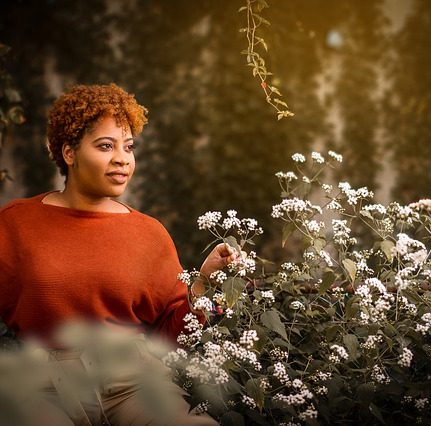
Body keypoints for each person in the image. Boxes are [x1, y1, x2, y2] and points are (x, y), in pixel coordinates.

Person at [0, 83, 238, 425]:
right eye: (105, 146)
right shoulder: (16, 223)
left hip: (134, 384)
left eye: (128, 147)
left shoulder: (148, 233)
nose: (122, 158)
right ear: (69, 153)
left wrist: (202, 280)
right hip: (43, 387)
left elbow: (170, 338)